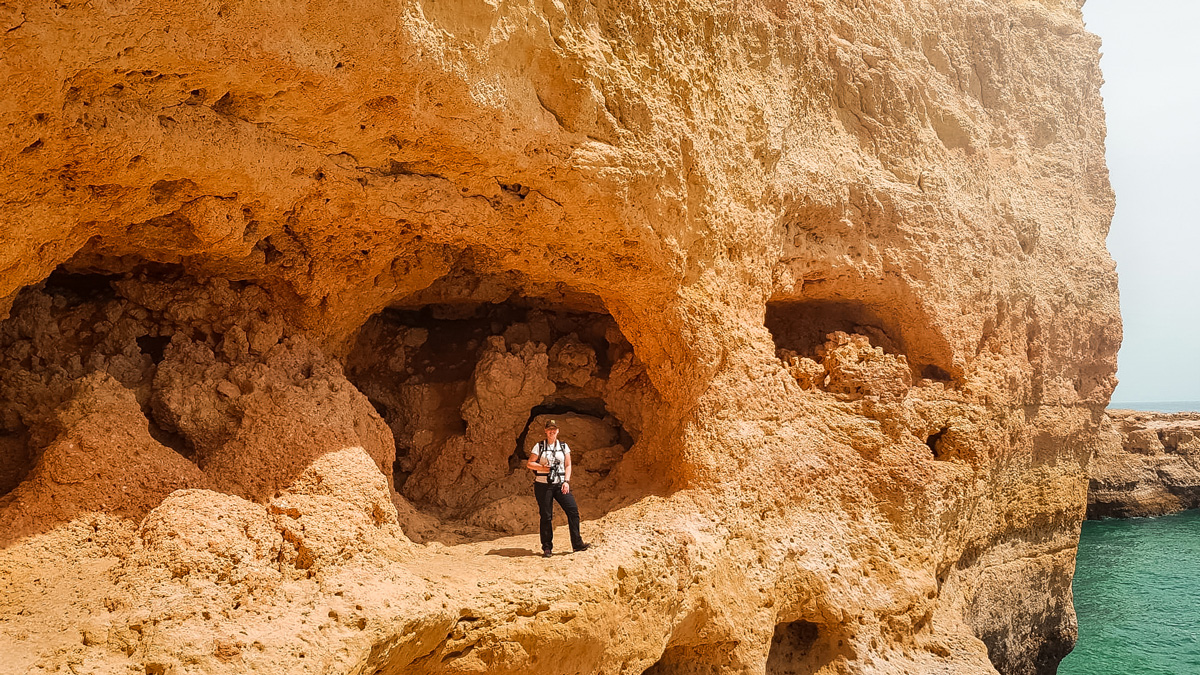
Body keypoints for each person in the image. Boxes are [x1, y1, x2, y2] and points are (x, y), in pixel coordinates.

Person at [527, 419, 590, 558]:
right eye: (549, 429)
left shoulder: (563, 446)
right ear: (545, 431)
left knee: (573, 511)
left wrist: (566, 481)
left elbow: (568, 465)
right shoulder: (539, 446)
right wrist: (543, 468)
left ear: (558, 431)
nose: (552, 431)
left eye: (554, 429)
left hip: (560, 483)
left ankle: (577, 544)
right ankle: (547, 548)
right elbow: (530, 463)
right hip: (543, 484)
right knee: (546, 516)